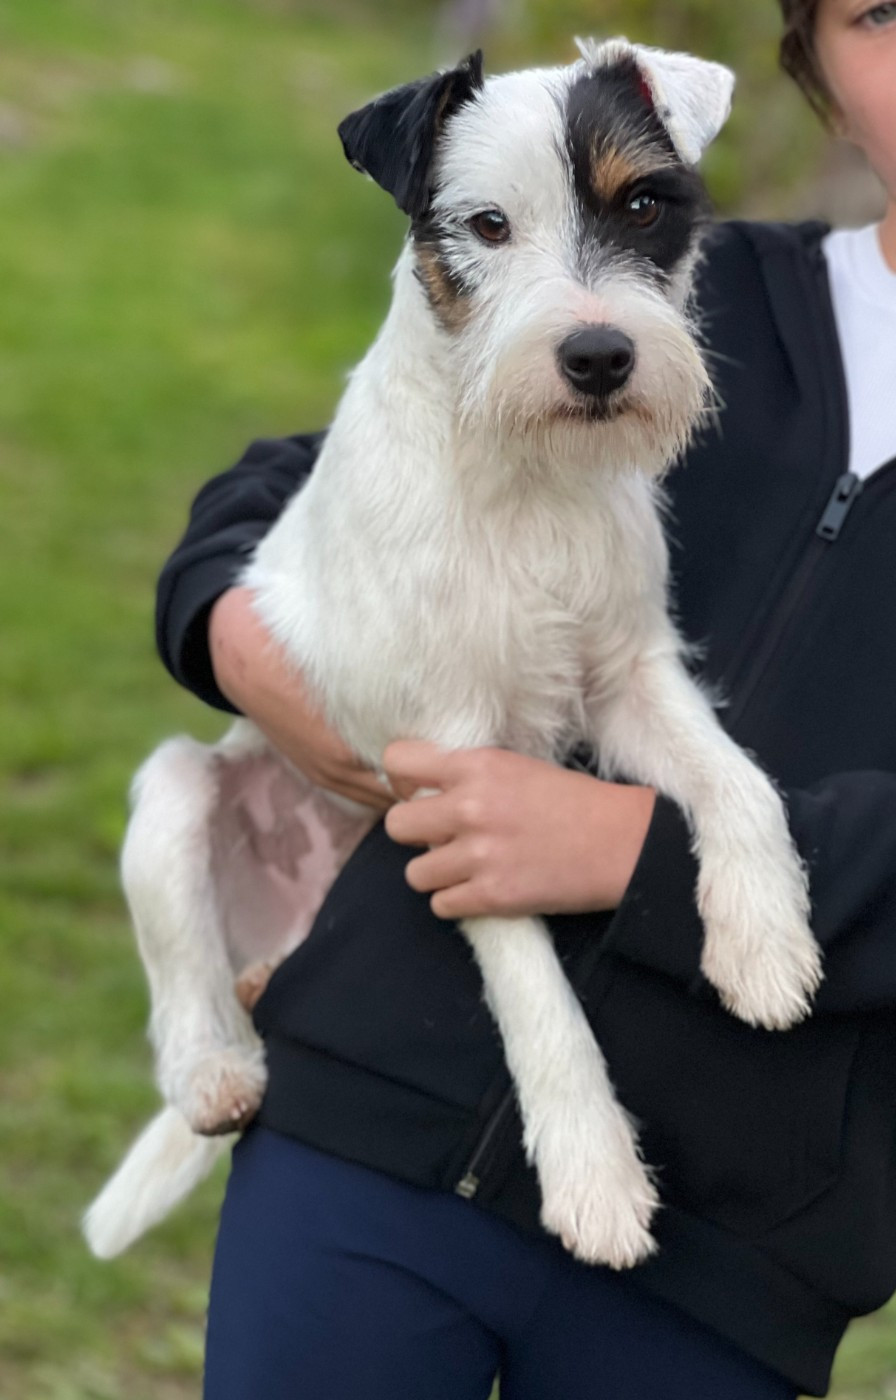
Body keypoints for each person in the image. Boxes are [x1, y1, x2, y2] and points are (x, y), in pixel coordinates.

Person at [154, 1, 896, 1395]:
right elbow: (302, 485)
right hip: (365, 1134)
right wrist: (234, 637)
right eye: (883, 10)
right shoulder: (669, 267)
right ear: (815, 72)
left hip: (733, 1254)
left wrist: (640, 854)